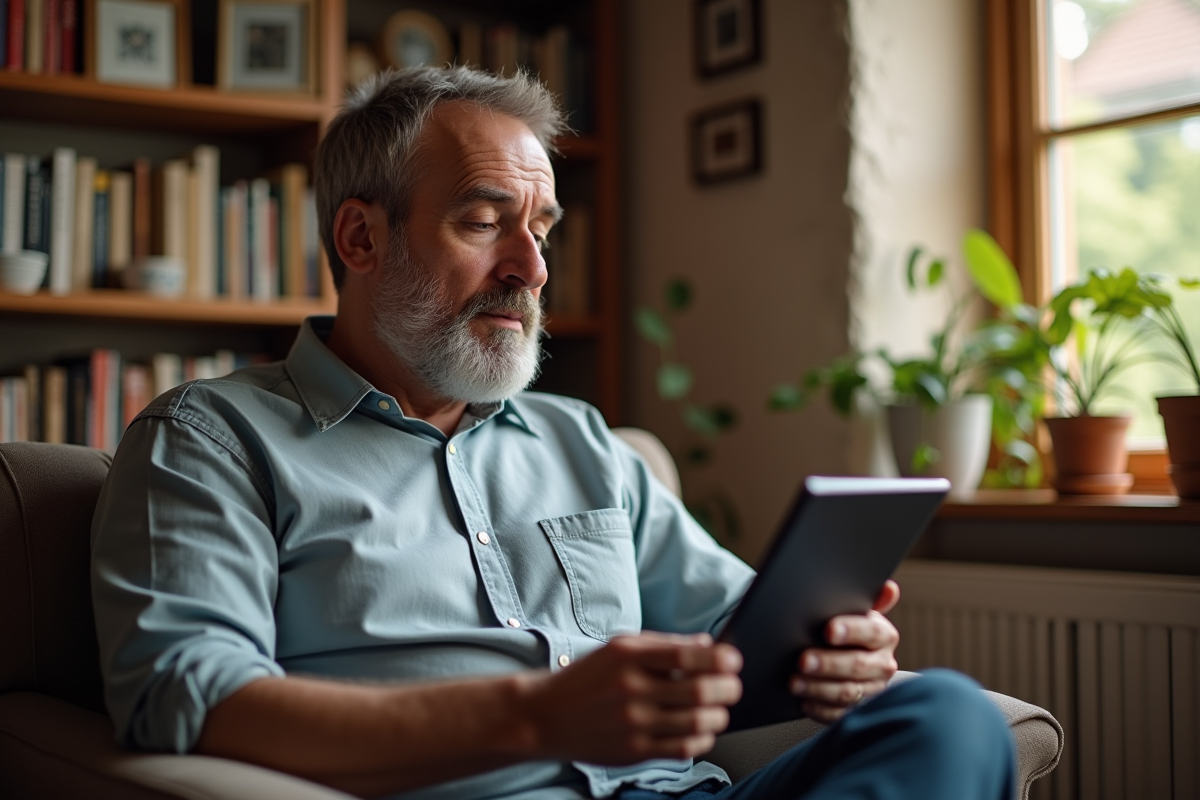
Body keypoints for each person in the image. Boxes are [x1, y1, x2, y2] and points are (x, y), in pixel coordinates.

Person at [90, 66, 1015, 800]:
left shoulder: (584, 441)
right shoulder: (212, 440)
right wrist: (533, 716)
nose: (531, 268)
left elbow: (734, 627)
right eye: (486, 222)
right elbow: (187, 697)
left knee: (947, 716)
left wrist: (831, 652)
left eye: (542, 228)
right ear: (361, 240)